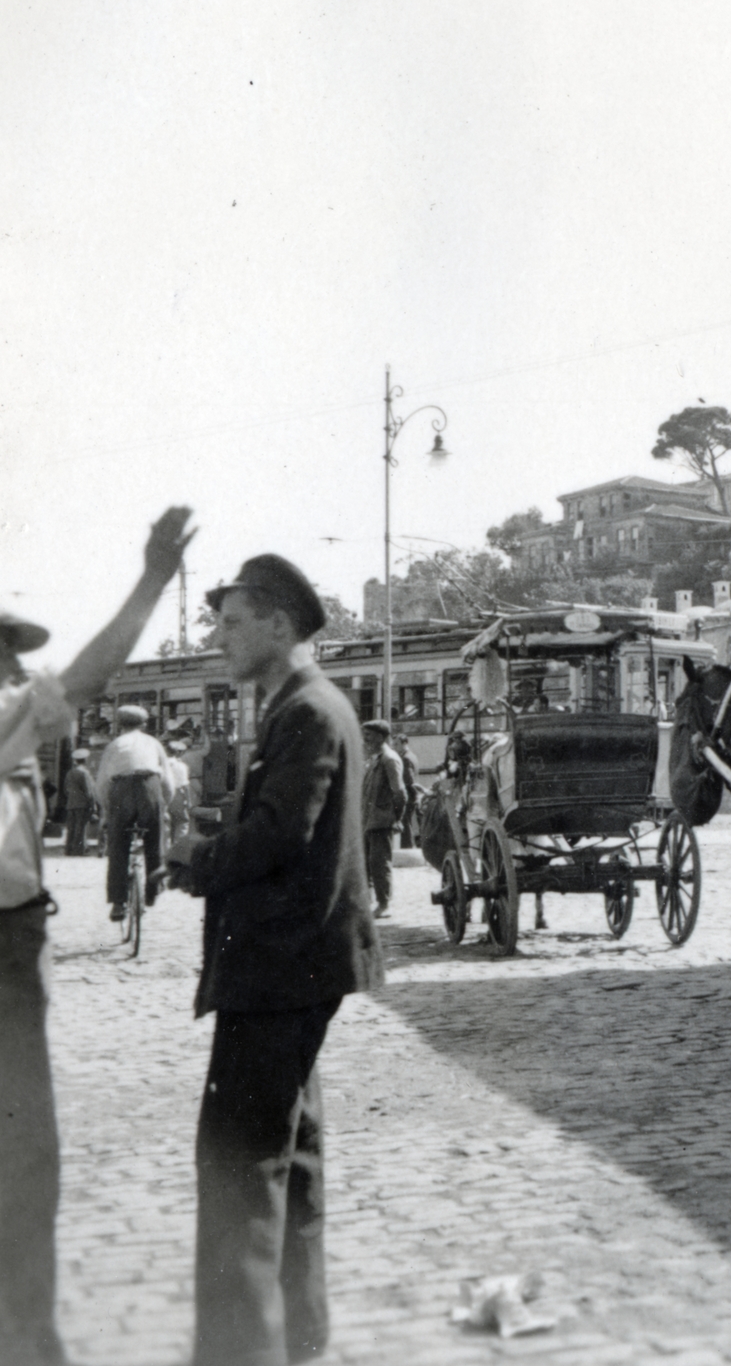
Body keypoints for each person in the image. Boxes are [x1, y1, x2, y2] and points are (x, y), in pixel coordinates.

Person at [164, 553, 382, 1366]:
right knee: (292, 1157)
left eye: (230, 621)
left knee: (238, 1167)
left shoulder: (305, 711)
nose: (218, 637)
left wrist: (197, 855)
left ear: (279, 624)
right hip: (299, 964)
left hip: (280, 966)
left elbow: (280, 835)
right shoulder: (310, 704)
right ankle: (300, 1337)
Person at [0, 506, 194, 1366]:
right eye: (5, 653)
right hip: (7, 945)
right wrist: (153, 579)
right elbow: (84, 673)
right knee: (24, 1149)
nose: (17, 669)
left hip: (18, 936)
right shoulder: (9, 715)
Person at [95, 705, 172, 920]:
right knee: (154, 841)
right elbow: (168, 781)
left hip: (122, 791)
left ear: (119, 724)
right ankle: (153, 891)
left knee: (118, 846)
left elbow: (101, 783)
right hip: (150, 787)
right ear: (144, 724)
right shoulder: (154, 743)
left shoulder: (114, 745)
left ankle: (118, 904)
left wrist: (106, 811)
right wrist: (163, 807)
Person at [360, 719, 405, 917]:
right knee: (366, 863)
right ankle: (366, 903)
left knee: (379, 863)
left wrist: (396, 817)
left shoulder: (389, 759)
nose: (364, 738)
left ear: (381, 736)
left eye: (368, 734)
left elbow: (400, 793)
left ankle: (383, 904)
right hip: (368, 820)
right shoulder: (374, 758)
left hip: (381, 820)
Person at [61, 749, 95, 857]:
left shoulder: (69, 773)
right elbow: (88, 790)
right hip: (82, 804)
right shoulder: (84, 773)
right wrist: (92, 804)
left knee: (71, 827)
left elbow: (65, 789)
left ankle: (68, 850)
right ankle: (79, 850)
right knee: (81, 827)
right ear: (85, 760)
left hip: (71, 803)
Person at [164, 738, 191, 843]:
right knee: (182, 822)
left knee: (165, 824)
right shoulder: (181, 766)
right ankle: (178, 849)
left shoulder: (160, 765)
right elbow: (185, 785)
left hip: (163, 795)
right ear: (178, 753)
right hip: (177, 795)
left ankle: (165, 851)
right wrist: (188, 801)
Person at [394, 732, 419, 849]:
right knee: (407, 821)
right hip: (413, 794)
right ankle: (409, 846)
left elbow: (408, 779)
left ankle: (407, 848)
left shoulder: (405, 759)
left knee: (405, 822)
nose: (394, 747)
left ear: (404, 743)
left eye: (396, 744)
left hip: (408, 794)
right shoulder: (412, 756)